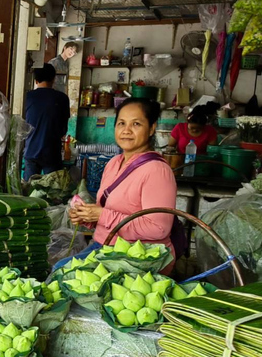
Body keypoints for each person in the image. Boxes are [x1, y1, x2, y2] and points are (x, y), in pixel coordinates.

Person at [55, 98, 177, 273]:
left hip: (137, 258)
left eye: (136, 124)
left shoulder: (157, 170)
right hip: (105, 247)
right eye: (121, 123)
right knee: (60, 270)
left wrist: (102, 215)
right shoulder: (114, 163)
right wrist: (88, 217)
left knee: (62, 274)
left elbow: (158, 228)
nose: (126, 130)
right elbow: (107, 212)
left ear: (151, 128)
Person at [22, 64, 70, 182]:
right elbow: (63, 129)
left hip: (31, 150)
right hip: (52, 152)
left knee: (29, 191)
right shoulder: (62, 98)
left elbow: (22, 126)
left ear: (36, 80)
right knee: (54, 191)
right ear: (53, 79)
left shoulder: (27, 97)